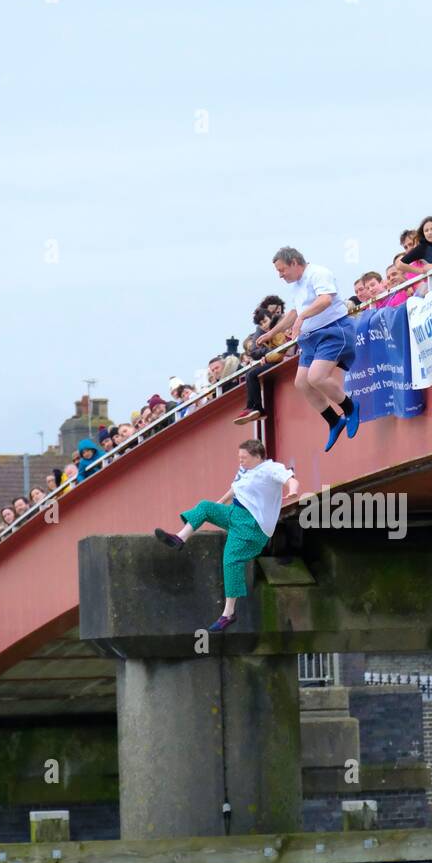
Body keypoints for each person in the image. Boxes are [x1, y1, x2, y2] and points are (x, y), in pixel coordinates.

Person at [153, 437, 299, 631]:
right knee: (205, 506)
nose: (240, 461)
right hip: (234, 513)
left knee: (231, 561)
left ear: (257, 456)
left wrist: (293, 492)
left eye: (244, 458)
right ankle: (179, 539)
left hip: (251, 524)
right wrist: (218, 505)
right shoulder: (245, 470)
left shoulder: (270, 469)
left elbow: (291, 479)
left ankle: (228, 613)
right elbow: (234, 488)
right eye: (239, 457)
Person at [263, 247, 359, 453]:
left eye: (282, 270)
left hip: (333, 331)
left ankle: (350, 407)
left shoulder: (318, 273)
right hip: (311, 338)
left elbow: (325, 299)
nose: (280, 275)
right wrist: (273, 333)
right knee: (302, 383)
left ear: (295, 263)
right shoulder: (296, 284)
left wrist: (302, 317)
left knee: (316, 377)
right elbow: (295, 312)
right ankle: (334, 421)